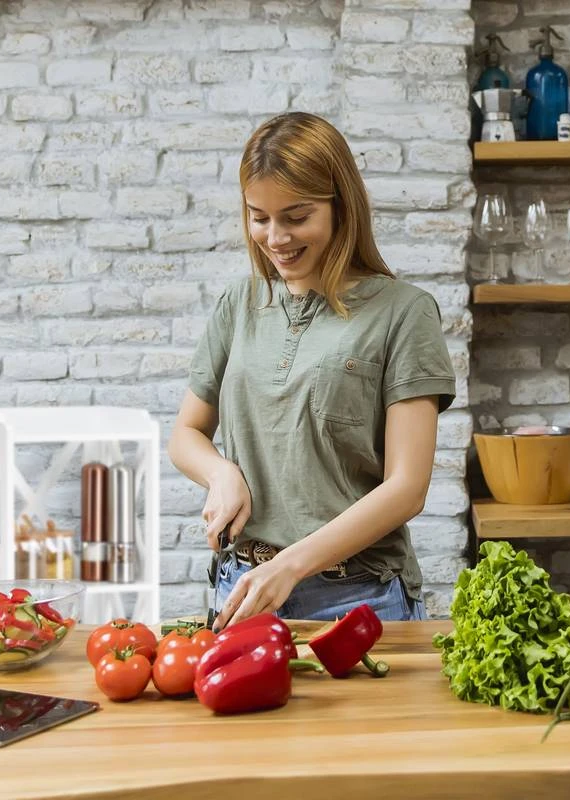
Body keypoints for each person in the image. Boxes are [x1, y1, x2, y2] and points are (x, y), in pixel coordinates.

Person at [167, 111, 456, 631]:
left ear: (340, 208)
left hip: (359, 600)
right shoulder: (240, 302)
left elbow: (407, 486)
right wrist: (221, 473)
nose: (275, 237)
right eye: (259, 217)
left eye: (296, 217)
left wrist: (291, 566)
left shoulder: (404, 312)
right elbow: (186, 433)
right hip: (243, 589)